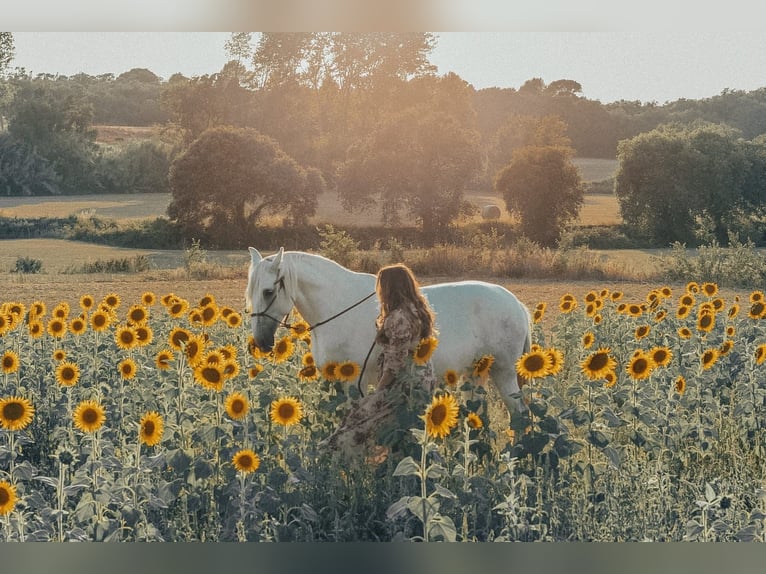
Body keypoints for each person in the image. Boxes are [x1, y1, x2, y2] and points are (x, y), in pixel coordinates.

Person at [322, 263, 438, 459]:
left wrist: (380, 390)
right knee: (405, 431)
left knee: (357, 423)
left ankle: (338, 462)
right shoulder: (416, 310)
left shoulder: (398, 318)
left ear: (390, 288)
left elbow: (395, 362)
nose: (379, 292)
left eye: (381, 287)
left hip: (403, 385)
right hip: (423, 379)